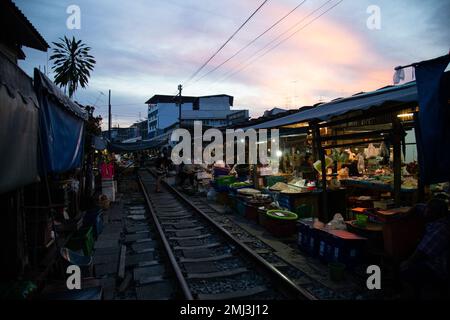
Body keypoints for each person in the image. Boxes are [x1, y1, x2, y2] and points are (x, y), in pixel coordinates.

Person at [401, 198, 450, 298]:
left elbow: (421, 253)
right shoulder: (436, 216)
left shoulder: (439, 230)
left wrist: (406, 263)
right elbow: (418, 206)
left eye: (428, 210)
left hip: (438, 268)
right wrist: (407, 215)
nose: (425, 211)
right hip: (431, 259)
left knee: (406, 271)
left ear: (435, 213)